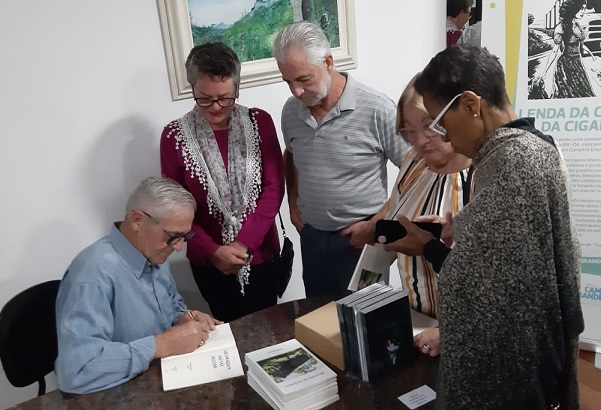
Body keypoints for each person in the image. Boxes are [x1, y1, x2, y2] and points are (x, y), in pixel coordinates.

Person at [385, 45, 584, 408]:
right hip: (531, 349)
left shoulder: (513, 163)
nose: (442, 136)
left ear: (472, 105)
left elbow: (479, 286)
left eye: (440, 122)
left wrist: (427, 248)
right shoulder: (531, 148)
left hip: (514, 364)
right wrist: (460, 231)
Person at [272, 21, 408, 299]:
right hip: (313, 239)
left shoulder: (376, 109)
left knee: (368, 321)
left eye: (303, 79)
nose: (296, 92)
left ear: (328, 62)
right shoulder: (291, 112)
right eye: (288, 81)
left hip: (364, 241)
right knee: (320, 318)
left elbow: (417, 172)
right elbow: (292, 153)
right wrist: (293, 201)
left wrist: (377, 224)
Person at [55, 177, 221, 394]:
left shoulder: (154, 253)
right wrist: (161, 345)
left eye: (185, 236)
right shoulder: (93, 276)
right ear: (137, 221)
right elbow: (78, 371)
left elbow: (171, 304)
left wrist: (184, 317)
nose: (179, 247)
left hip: (160, 378)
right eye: (173, 236)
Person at [161, 42, 284, 322]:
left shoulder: (259, 122)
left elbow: (274, 189)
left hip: (260, 254)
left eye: (225, 98)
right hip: (209, 261)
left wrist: (243, 244)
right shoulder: (174, 136)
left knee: (269, 330)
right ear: (192, 87)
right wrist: (213, 251)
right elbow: (174, 206)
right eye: (204, 98)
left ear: (237, 89)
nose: (215, 107)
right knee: (227, 332)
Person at [386, 74, 473, 358]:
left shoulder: (482, 180)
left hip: (464, 335)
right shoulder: (413, 162)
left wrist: (448, 333)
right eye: (410, 130)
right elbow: (394, 209)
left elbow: (493, 284)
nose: (421, 141)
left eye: (429, 126)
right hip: (416, 322)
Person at [553, 0, 595, 98]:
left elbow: (581, 45)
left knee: (584, 92)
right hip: (565, 65)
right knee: (568, 93)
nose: (584, 11)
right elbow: (555, 51)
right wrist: (545, 72)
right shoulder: (561, 27)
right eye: (581, 8)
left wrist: (592, 56)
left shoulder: (577, 25)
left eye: (584, 8)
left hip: (577, 63)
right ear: (573, 10)